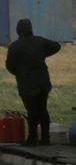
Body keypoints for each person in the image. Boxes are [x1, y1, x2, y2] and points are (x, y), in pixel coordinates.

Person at [5, 17, 61, 146]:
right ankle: (45, 138)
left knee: (31, 110)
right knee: (43, 109)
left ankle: (32, 138)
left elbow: (10, 65)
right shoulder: (39, 41)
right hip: (43, 81)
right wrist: (43, 54)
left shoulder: (15, 47)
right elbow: (56, 46)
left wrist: (19, 73)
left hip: (27, 83)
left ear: (18, 30)